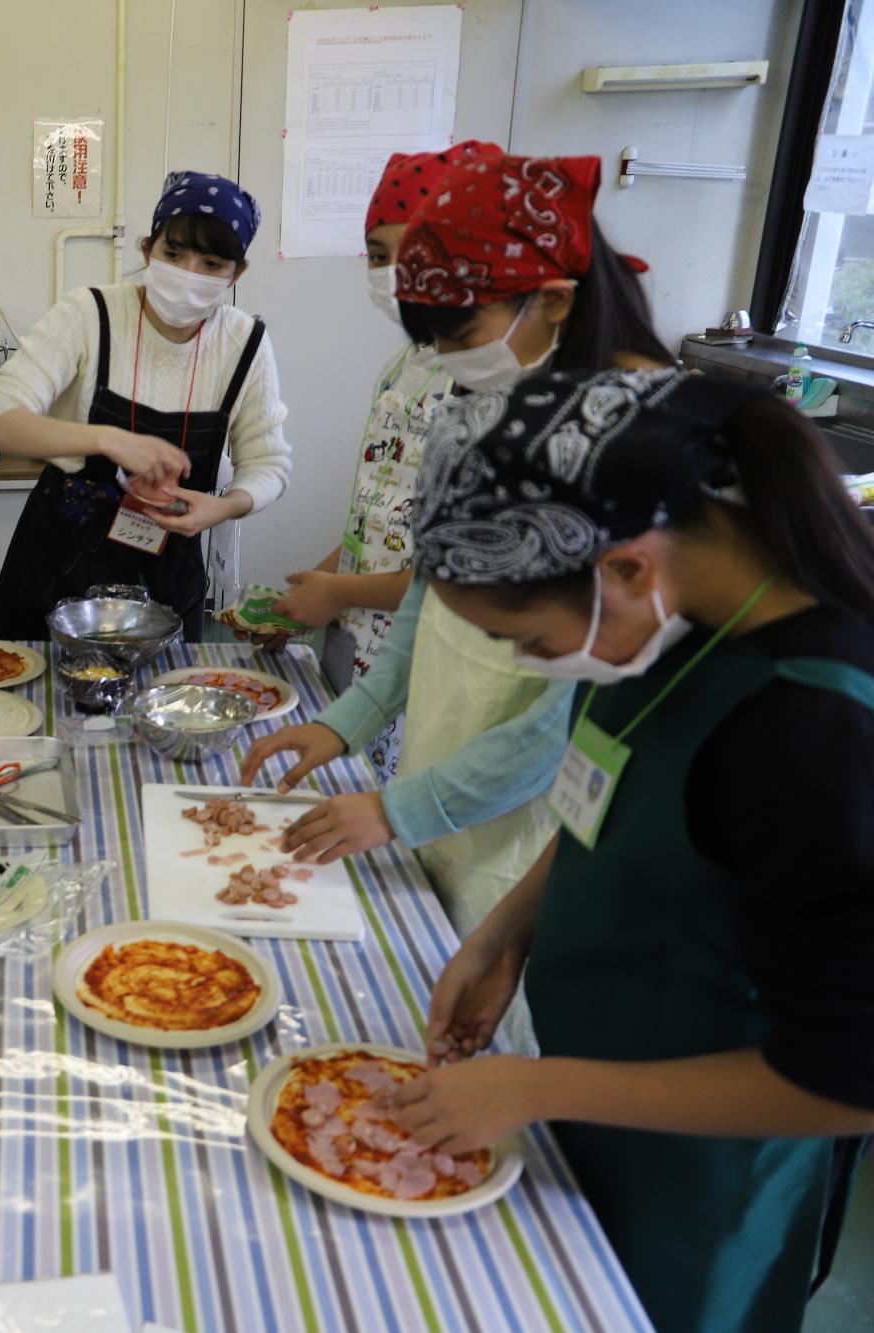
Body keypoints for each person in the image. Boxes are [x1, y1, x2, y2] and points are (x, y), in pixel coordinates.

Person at [387, 367, 874, 1333]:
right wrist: (506, 932)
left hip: (705, 1181)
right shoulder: (665, 625)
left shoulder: (816, 732)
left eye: (525, 638)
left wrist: (536, 1083)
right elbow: (603, 797)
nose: (534, 665)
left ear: (628, 568)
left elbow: (846, 1079)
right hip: (587, 1098)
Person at [242, 153, 673, 954]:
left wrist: (399, 809)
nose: (444, 357)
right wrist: (351, 723)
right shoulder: (496, 402)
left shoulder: (634, 453)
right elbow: (427, 596)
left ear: (552, 302)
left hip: (524, 828)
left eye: (459, 332)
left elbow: (569, 717)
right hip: (443, 772)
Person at [250, 142, 492, 776]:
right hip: (357, 634)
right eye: (380, 256)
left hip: (425, 652)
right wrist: (314, 588)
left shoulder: (490, 387)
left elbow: (461, 577)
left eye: (414, 253)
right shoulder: (406, 363)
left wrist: (339, 591)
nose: (395, 274)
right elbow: (379, 512)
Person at [0, 170, 292, 640]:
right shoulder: (90, 314)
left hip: (165, 577)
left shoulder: (244, 343)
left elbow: (269, 464)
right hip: (56, 568)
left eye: (211, 264)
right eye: (173, 253)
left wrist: (224, 508)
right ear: (147, 249)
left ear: (237, 273)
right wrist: (107, 439)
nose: (189, 274)